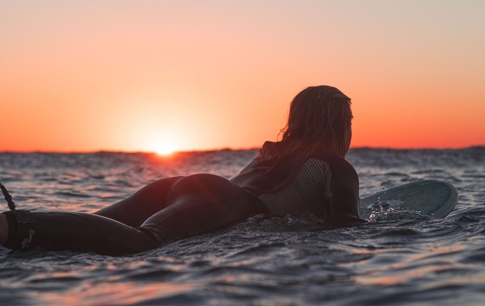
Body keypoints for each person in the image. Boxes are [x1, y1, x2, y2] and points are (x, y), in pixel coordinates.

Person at [0, 86, 366, 256]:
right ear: (339, 125)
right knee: (142, 243)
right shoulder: (338, 167)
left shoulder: (273, 154)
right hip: (223, 201)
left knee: (78, 236)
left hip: (186, 187)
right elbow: (345, 225)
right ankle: (7, 226)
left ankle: (12, 229)